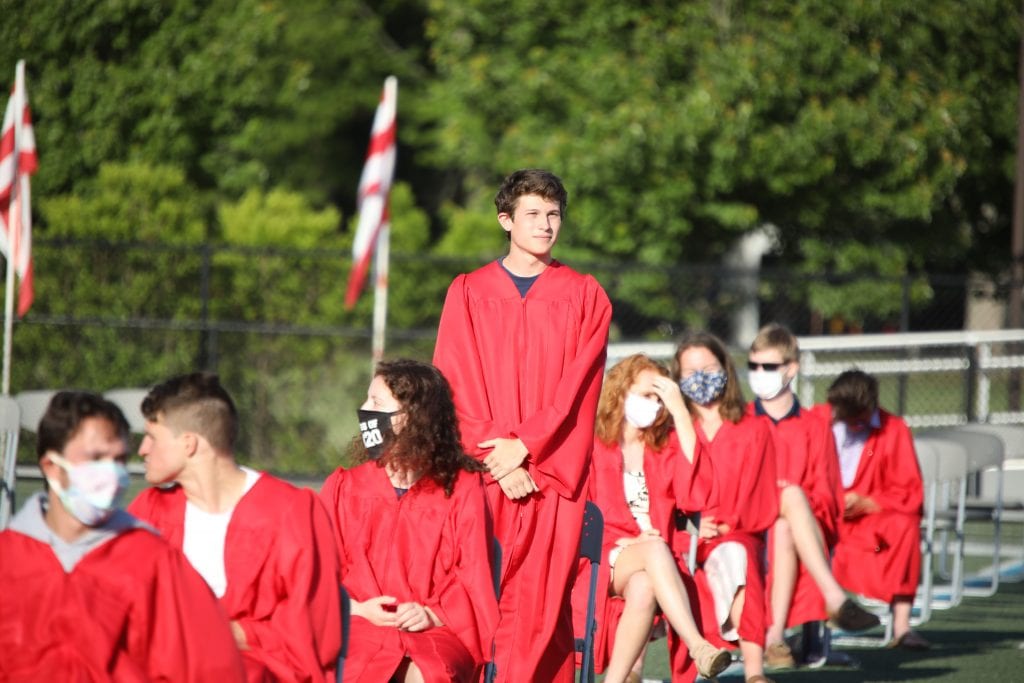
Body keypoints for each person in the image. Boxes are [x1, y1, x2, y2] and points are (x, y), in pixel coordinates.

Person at [432, 168, 612, 681]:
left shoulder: (585, 295)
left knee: (540, 611)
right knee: (472, 602)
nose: (545, 224)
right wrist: (497, 456)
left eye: (554, 214)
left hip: (549, 476)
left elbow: (578, 391)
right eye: (532, 213)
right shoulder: (468, 291)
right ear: (505, 220)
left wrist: (526, 448)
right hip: (484, 474)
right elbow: (453, 378)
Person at [0, 391, 246, 682]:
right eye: (95, 458)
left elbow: (210, 668)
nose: (111, 472)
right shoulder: (9, 559)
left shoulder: (153, 562)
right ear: (51, 466)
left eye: (118, 459)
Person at [127, 373, 343, 682]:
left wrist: (214, 633)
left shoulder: (290, 513)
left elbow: (311, 632)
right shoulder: (150, 512)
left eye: (152, 437)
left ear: (189, 443)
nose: (143, 449)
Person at [320, 359, 498, 682]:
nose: (364, 410)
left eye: (376, 402)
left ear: (413, 417)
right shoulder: (346, 487)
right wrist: (357, 609)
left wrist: (432, 614)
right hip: (357, 622)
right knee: (353, 668)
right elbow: (316, 572)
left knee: (430, 673)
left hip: (436, 630)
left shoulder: (461, 490)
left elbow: (473, 576)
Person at [574, 354, 731, 683]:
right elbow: (580, 512)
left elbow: (696, 494)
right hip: (603, 554)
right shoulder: (593, 444)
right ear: (621, 391)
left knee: (644, 586)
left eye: (660, 399)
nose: (655, 405)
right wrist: (628, 541)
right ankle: (698, 646)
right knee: (655, 549)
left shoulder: (663, 446)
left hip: (654, 561)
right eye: (648, 395)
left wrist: (681, 414)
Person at [746, 324, 879, 667]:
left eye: (768, 366)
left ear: (791, 368)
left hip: (798, 526)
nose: (759, 373)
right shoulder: (740, 422)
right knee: (788, 499)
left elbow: (827, 492)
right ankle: (834, 599)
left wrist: (793, 502)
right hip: (749, 520)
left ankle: (774, 639)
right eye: (753, 366)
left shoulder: (814, 426)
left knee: (786, 525)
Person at [672, 331, 779, 683]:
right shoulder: (671, 431)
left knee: (737, 556)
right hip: (683, 535)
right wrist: (688, 527)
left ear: (725, 369)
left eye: (708, 368)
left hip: (736, 532)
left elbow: (759, 492)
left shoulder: (753, 428)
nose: (700, 378)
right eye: (691, 371)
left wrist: (725, 525)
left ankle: (754, 671)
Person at [810, 369, 929, 650]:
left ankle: (901, 627)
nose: (853, 423)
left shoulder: (893, 429)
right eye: (846, 416)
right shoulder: (815, 421)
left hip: (869, 522)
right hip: (821, 513)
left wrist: (870, 502)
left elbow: (909, 491)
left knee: (905, 526)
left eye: (858, 417)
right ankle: (798, 630)